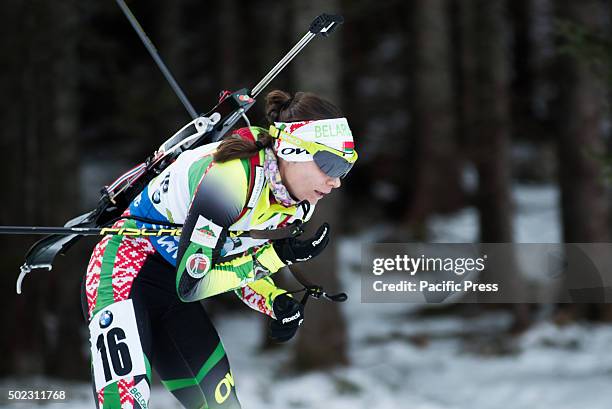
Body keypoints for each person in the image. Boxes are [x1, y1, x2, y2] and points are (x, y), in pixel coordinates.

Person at [81, 89, 358, 409]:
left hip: (172, 285)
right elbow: (193, 283)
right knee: (124, 404)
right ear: (291, 149)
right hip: (124, 267)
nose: (336, 181)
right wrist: (275, 256)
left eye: (345, 168)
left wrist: (274, 300)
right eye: (330, 163)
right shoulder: (230, 179)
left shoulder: (295, 202)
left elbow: (230, 256)